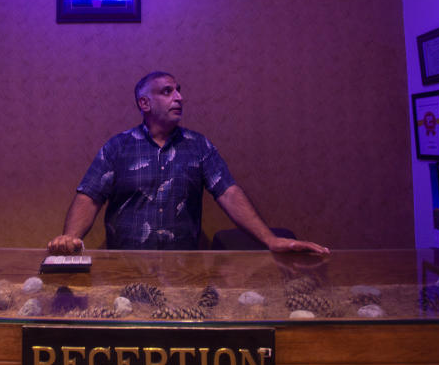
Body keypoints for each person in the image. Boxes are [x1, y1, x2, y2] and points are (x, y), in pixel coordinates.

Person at [47, 71, 330, 255]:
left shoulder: (199, 146)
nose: (179, 97)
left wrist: (270, 240)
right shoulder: (117, 147)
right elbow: (89, 197)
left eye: (178, 90)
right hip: (124, 272)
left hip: (183, 275)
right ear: (144, 104)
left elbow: (229, 193)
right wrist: (69, 239)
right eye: (167, 91)